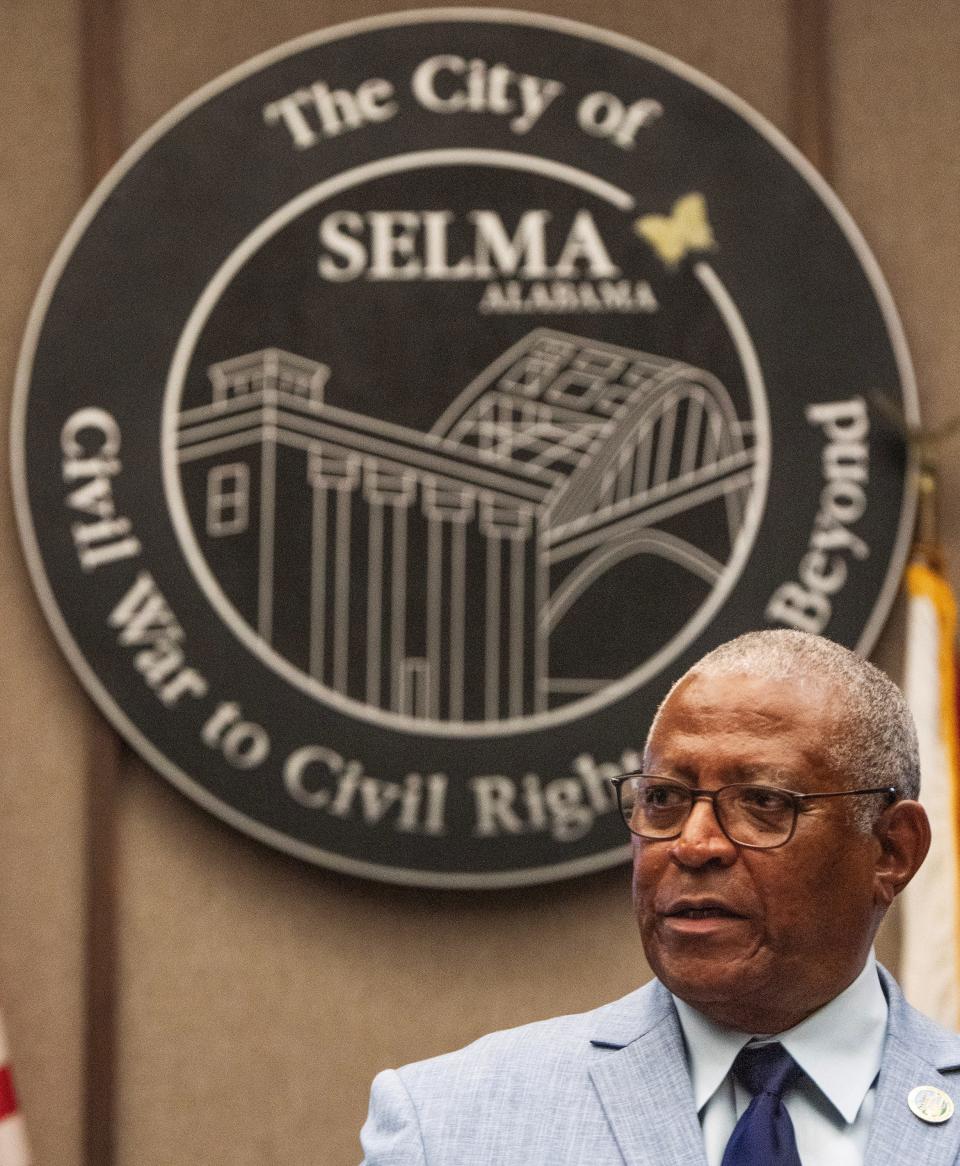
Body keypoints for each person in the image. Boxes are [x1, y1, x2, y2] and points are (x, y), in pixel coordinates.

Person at [359, 630, 960, 1165]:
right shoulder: (447, 1126)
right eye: (664, 799)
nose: (694, 845)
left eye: (764, 803)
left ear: (891, 851)